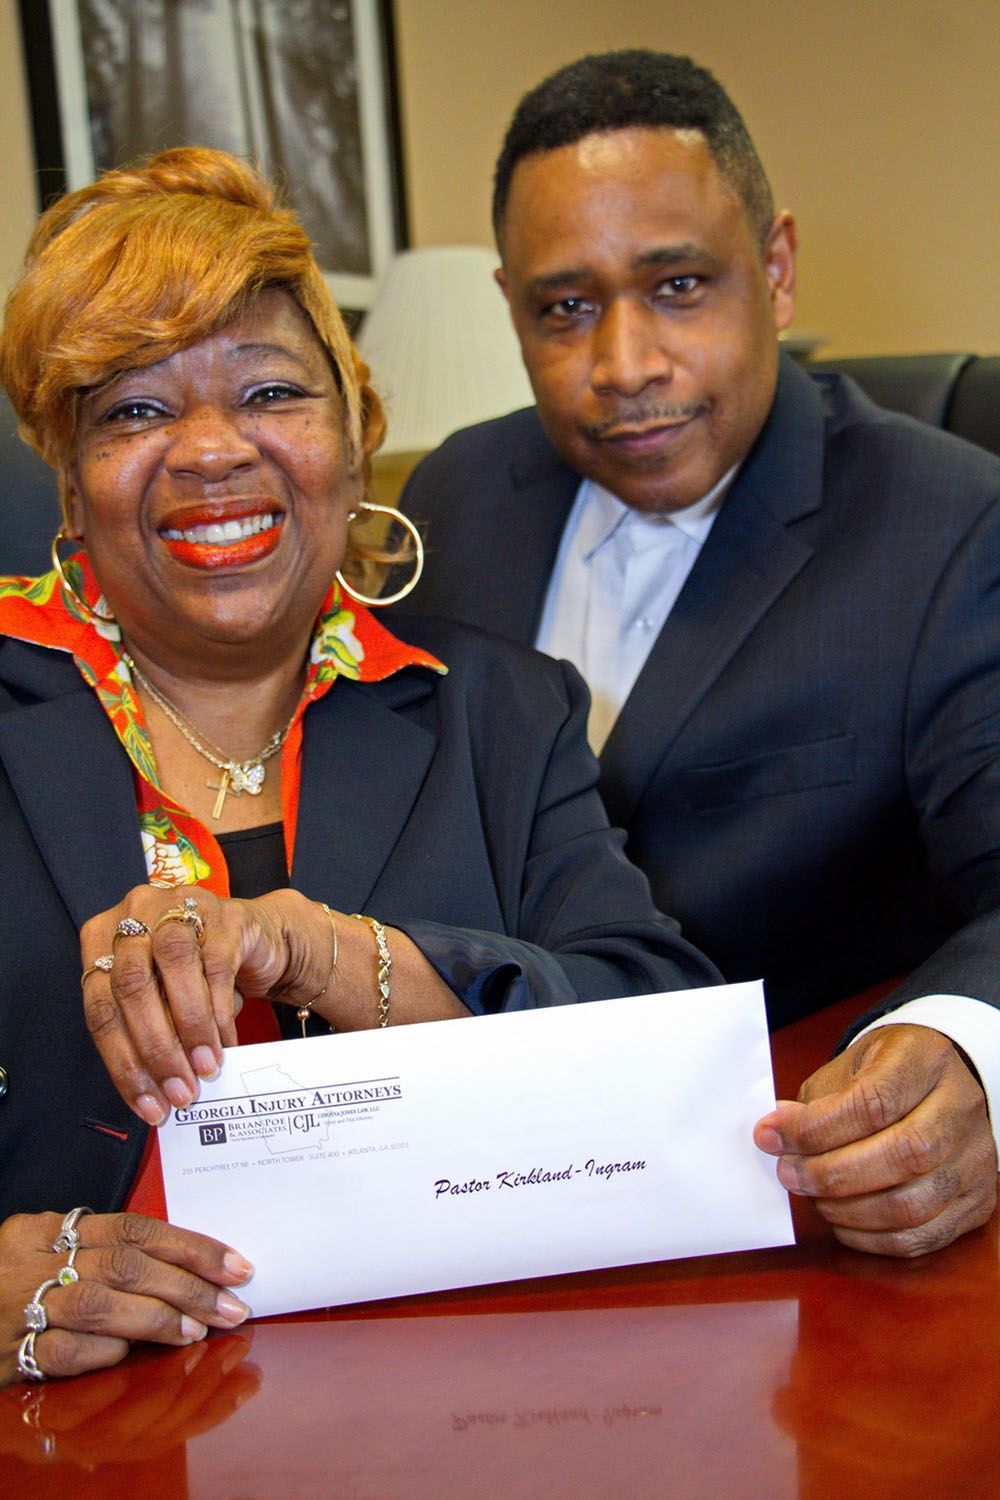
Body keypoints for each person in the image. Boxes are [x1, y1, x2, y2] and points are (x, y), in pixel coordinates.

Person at [0, 146, 722, 1387]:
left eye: (272, 392)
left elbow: (660, 1040)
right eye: (133, 408)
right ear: (68, 480)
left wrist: (334, 955)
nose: (211, 450)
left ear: (355, 430)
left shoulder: (498, 708)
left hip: (463, 1395)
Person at [399, 51, 1000, 1256]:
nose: (624, 366)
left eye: (677, 285)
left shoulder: (949, 523)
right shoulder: (458, 492)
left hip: (777, 1194)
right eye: (564, 307)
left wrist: (968, 1048)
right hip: (461, 1191)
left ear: (773, 270)